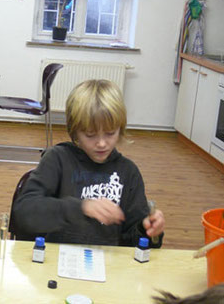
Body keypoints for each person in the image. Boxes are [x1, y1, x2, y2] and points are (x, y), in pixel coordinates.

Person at [12, 79, 165, 247]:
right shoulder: (57, 159)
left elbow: (135, 242)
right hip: (56, 262)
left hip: (108, 265)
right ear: (75, 131)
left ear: (120, 128)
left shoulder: (128, 172)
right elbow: (24, 212)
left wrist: (149, 230)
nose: (101, 143)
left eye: (110, 133)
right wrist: (81, 208)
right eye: (90, 135)